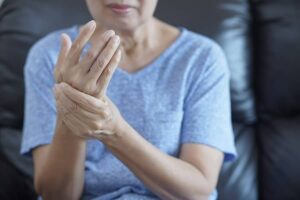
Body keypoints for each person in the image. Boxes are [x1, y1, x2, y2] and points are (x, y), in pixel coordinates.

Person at [21, 0, 237, 199]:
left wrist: (114, 130)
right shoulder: (50, 55)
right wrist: (72, 109)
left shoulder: (202, 58)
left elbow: (198, 191)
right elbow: (55, 194)